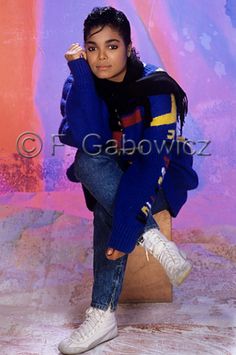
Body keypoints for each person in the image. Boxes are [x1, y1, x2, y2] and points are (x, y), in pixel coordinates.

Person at [58, 6, 198, 354]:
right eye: (92, 48)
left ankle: (101, 314)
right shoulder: (81, 80)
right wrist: (79, 71)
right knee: (89, 160)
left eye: (112, 46)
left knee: (112, 202)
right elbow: (87, 136)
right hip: (110, 174)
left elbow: (151, 162)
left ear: (129, 46)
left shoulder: (156, 85)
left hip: (158, 179)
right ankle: (153, 239)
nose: (101, 57)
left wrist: (127, 229)